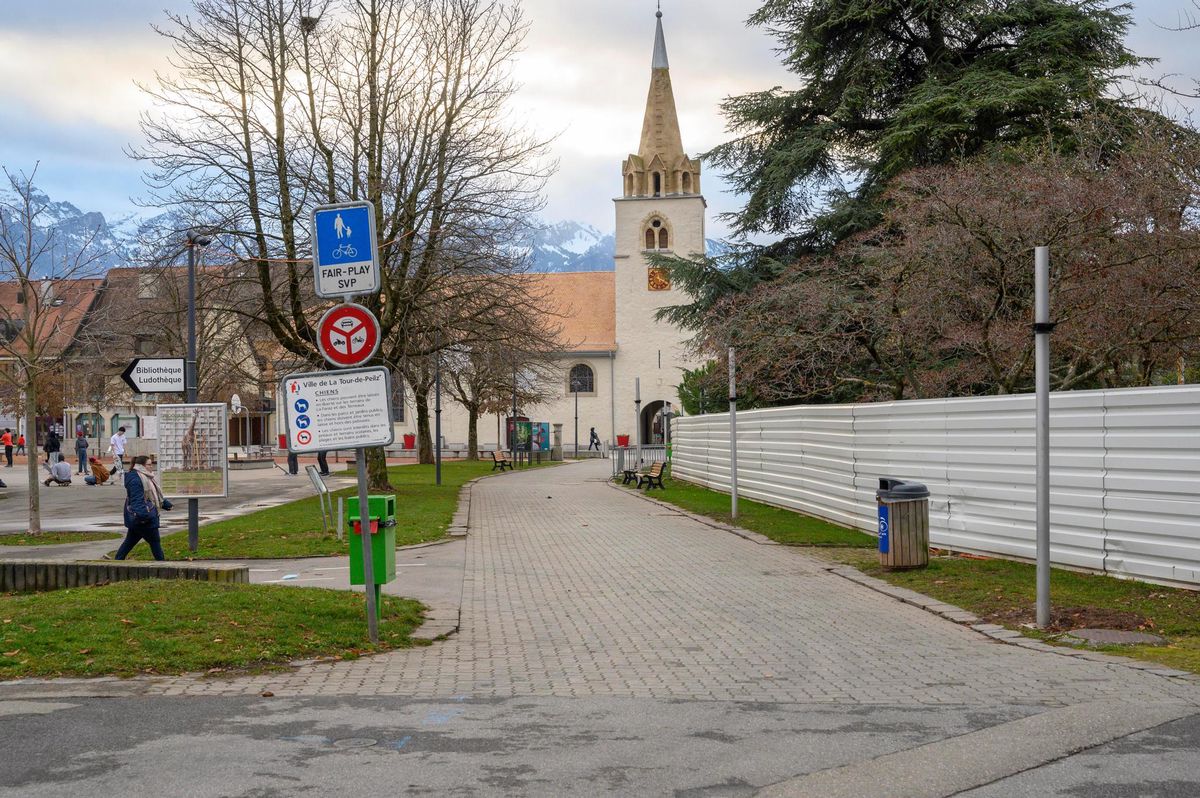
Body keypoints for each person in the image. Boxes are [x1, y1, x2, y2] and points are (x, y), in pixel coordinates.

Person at [114, 455, 172, 561]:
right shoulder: (136, 479)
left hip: (140, 518)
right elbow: (137, 500)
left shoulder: (146, 477)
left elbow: (152, 496)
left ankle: (117, 562)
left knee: (130, 542)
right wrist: (144, 517)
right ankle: (163, 565)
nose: (151, 467)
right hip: (144, 519)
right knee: (155, 543)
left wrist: (165, 504)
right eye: (149, 464)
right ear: (141, 466)